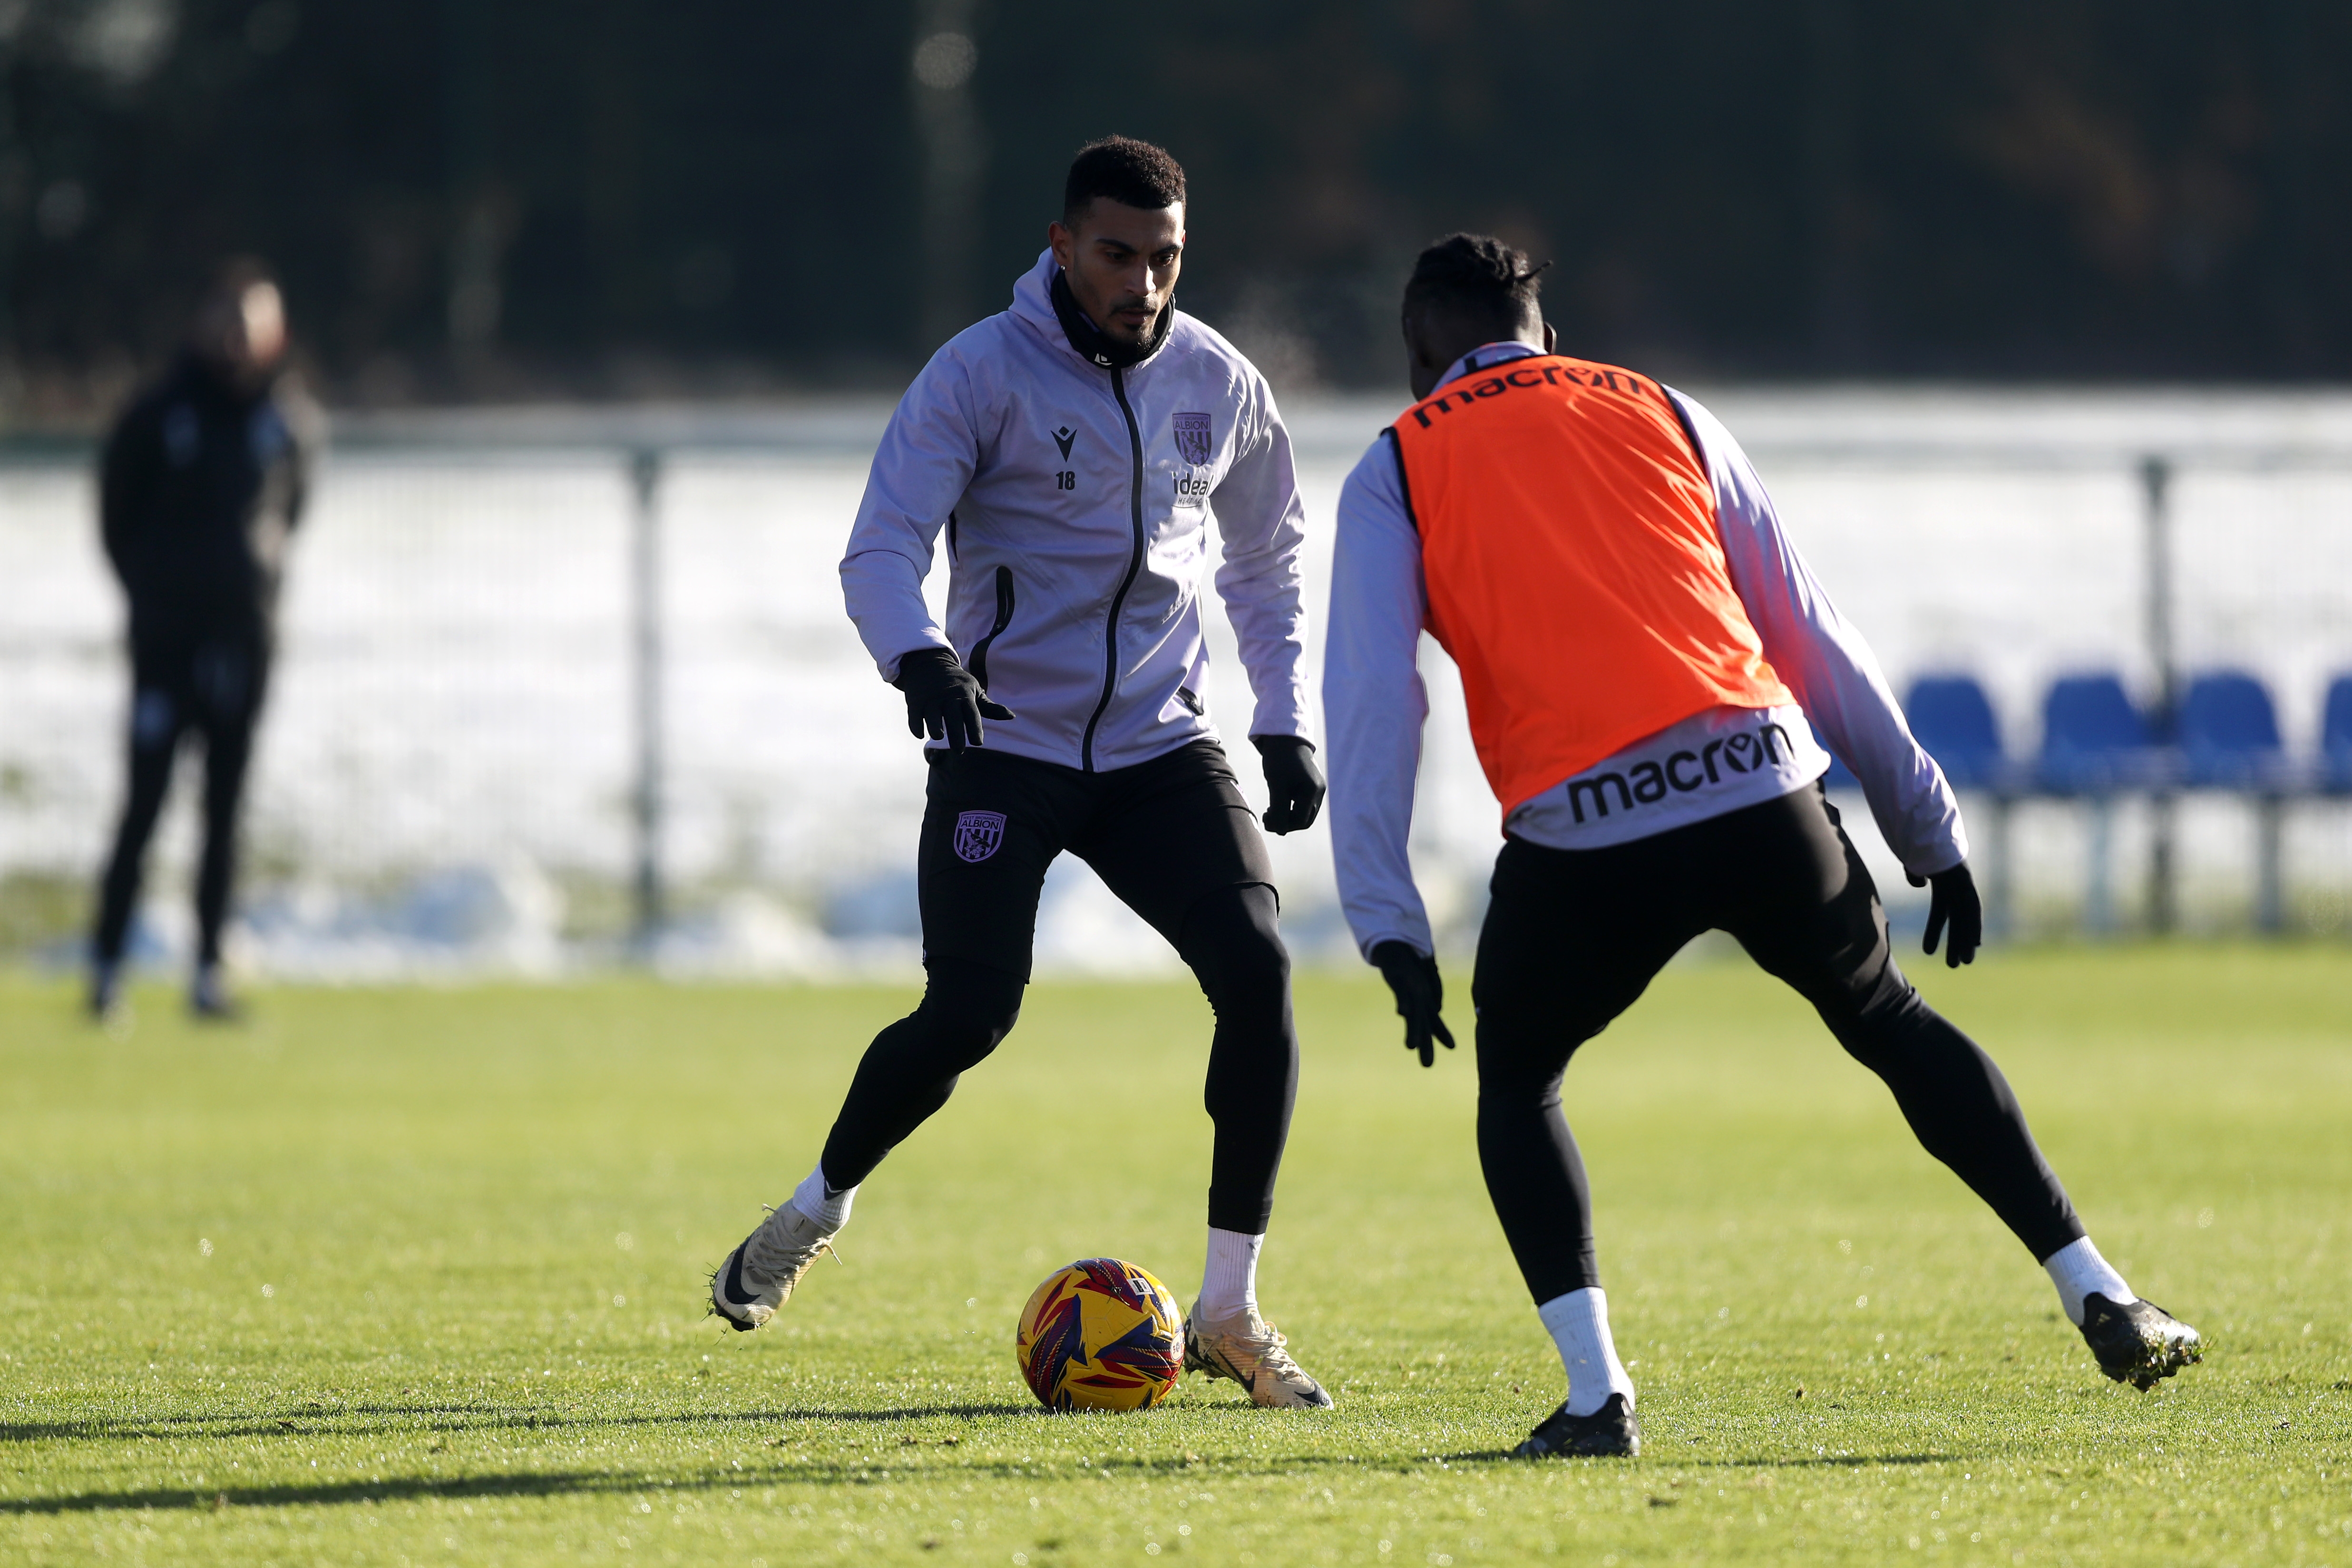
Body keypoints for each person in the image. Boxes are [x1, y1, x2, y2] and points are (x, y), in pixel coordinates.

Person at [1324, 234, 2202, 1459]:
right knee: (1888, 1019)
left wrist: (1387, 917)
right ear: (1546, 335)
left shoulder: (1398, 462)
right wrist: (1924, 824)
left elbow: (1374, 700)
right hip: (1758, 786)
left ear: (1419, 359)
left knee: (1518, 1084)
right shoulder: (1662, 406)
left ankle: (1597, 1398)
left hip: (1587, 834)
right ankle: (2100, 1286)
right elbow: (1805, 622)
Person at [708, 138, 1334, 1409]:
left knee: (1260, 976)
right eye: (1116, 254)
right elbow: (881, 545)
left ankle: (1230, 1308)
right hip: (1007, 743)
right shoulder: (978, 375)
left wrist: (1283, 719)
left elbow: (1268, 559)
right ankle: (814, 1208)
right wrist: (919, 658)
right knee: (971, 1015)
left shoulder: (1220, 382)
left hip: (1163, 744)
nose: (1141, 282)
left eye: (1164, 258)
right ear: (1061, 246)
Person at [90, 259, 317, 1021]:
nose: (236, 335)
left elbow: (294, 513)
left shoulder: (286, 420)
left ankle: (208, 973)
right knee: (145, 800)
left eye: (252, 320)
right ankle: (106, 966)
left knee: (226, 810)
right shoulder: (159, 414)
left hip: (245, 640)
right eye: (226, 316)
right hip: (166, 639)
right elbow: (116, 515)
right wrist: (156, 597)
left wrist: (252, 598)